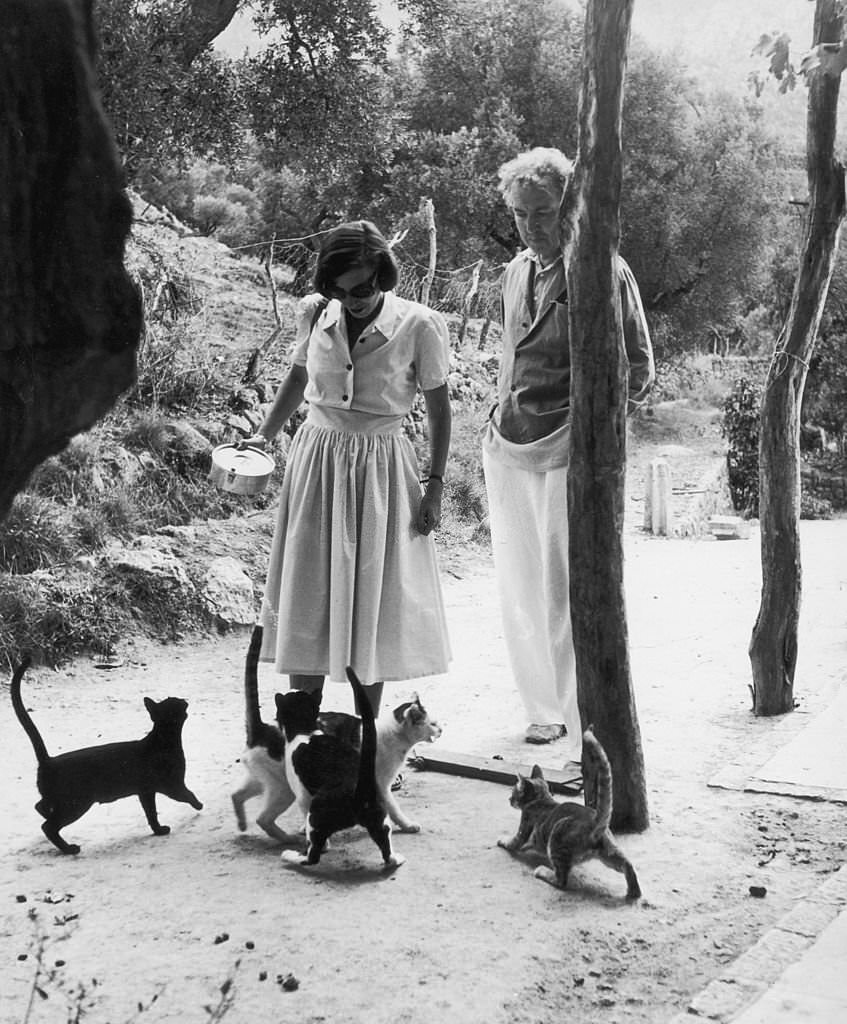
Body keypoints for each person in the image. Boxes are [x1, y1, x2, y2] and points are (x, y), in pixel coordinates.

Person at [483, 147, 654, 752]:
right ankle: (542, 708)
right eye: (520, 214)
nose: (532, 225)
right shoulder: (515, 272)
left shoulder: (603, 269)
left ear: (571, 208)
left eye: (544, 211)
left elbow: (637, 367)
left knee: (566, 584)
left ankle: (583, 710)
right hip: (509, 442)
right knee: (520, 581)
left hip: (569, 447)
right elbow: (511, 354)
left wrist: (595, 435)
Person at [243, 220, 452, 716]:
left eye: (360, 287)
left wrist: (435, 487)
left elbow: (441, 409)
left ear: (383, 273)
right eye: (338, 289)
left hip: (380, 465)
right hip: (316, 460)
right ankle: (302, 731)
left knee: (372, 597)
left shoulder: (419, 324)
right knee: (308, 587)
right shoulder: (317, 315)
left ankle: (365, 740)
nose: (350, 299)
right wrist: (264, 435)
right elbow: (299, 375)